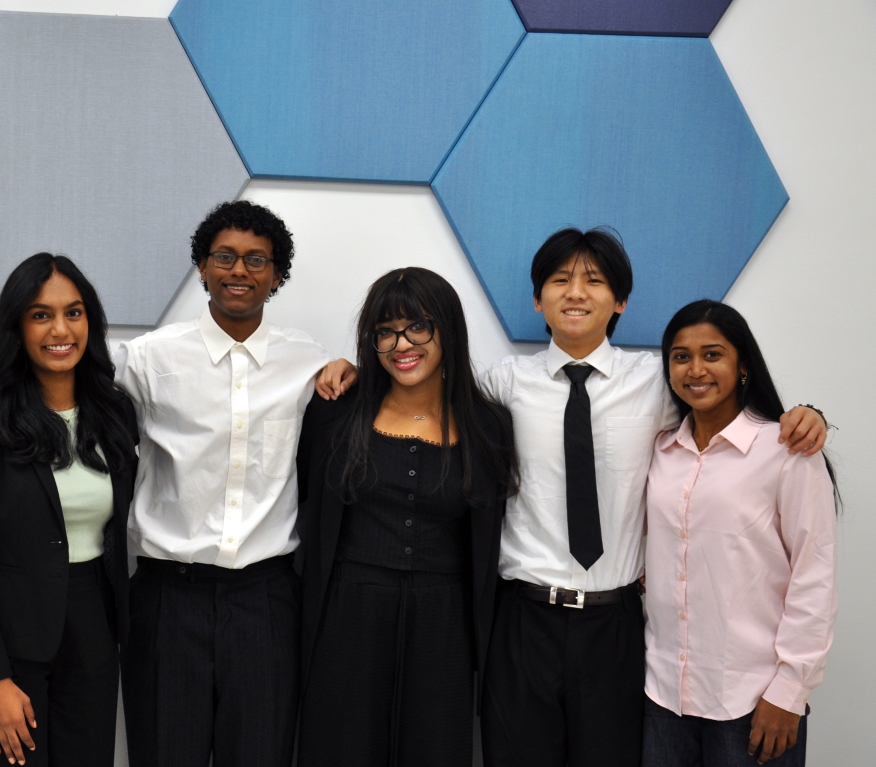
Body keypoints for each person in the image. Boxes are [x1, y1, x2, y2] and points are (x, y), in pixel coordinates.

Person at [318, 227, 828, 767]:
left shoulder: (659, 380)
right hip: (521, 620)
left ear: (621, 301)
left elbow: (723, 398)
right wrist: (343, 369)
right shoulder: (500, 386)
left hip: (616, 627)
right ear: (539, 299)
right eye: (560, 280)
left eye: (595, 281)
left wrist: (806, 414)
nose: (577, 293)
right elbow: (417, 389)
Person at [117, 200, 331, 767]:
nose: (240, 271)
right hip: (167, 598)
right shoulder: (146, 360)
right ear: (203, 268)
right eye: (225, 257)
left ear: (277, 275)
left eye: (256, 260)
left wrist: (350, 370)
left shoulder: (308, 364)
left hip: (266, 600)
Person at [295, 268, 517, 766]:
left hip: (445, 624)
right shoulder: (337, 411)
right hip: (347, 616)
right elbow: (304, 501)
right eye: (386, 331)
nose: (402, 344)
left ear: (448, 331)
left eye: (418, 326)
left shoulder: (488, 425)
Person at [0, 253, 138, 767]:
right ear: (17, 327)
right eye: (40, 314)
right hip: (6, 641)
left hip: (93, 633)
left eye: (73, 312)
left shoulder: (114, 412)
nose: (60, 330)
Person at [641, 300, 838, 767]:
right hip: (664, 695)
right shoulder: (661, 450)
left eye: (713, 354)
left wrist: (790, 691)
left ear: (742, 364)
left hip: (753, 699)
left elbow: (815, 577)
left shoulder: (787, 452)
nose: (695, 370)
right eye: (681, 356)